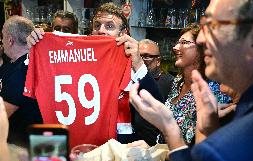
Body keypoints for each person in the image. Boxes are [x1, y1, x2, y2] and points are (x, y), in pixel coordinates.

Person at [129, 0, 253, 161]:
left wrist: (171, 129)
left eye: (213, 25)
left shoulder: (238, 145)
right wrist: (207, 129)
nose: (202, 39)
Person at [27, 3, 162, 147]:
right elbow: (39, 100)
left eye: (109, 26)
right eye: (97, 25)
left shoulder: (130, 61)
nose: (101, 31)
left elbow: (157, 105)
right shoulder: (74, 57)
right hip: (75, 146)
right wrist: (36, 49)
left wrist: (138, 64)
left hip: (120, 150)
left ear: (124, 33)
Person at [165, 24, 232, 145]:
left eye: (184, 42)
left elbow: (205, 143)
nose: (175, 47)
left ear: (201, 49)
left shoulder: (213, 90)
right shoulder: (177, 82)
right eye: (177, 42)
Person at [1, 15, 42, 147]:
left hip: (21, 148)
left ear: (10, 40)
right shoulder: (14, 63)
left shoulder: (22, 70)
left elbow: (3, 114)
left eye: (2, 37)